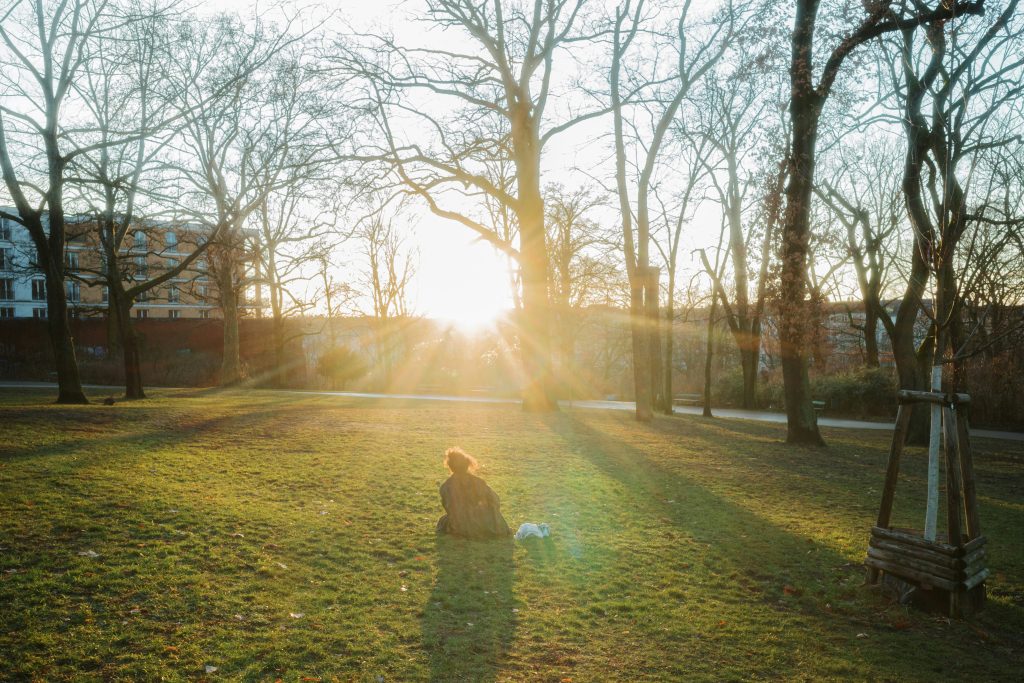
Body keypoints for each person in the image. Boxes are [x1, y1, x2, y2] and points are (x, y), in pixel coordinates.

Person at [436, 447, 511, 539]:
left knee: (443, 522)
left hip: (463, 527)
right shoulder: (479, 482)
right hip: (488, 524)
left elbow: (450, 509)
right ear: (467, 464)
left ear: (450, 466)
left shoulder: (446, 486)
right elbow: (495, 500)